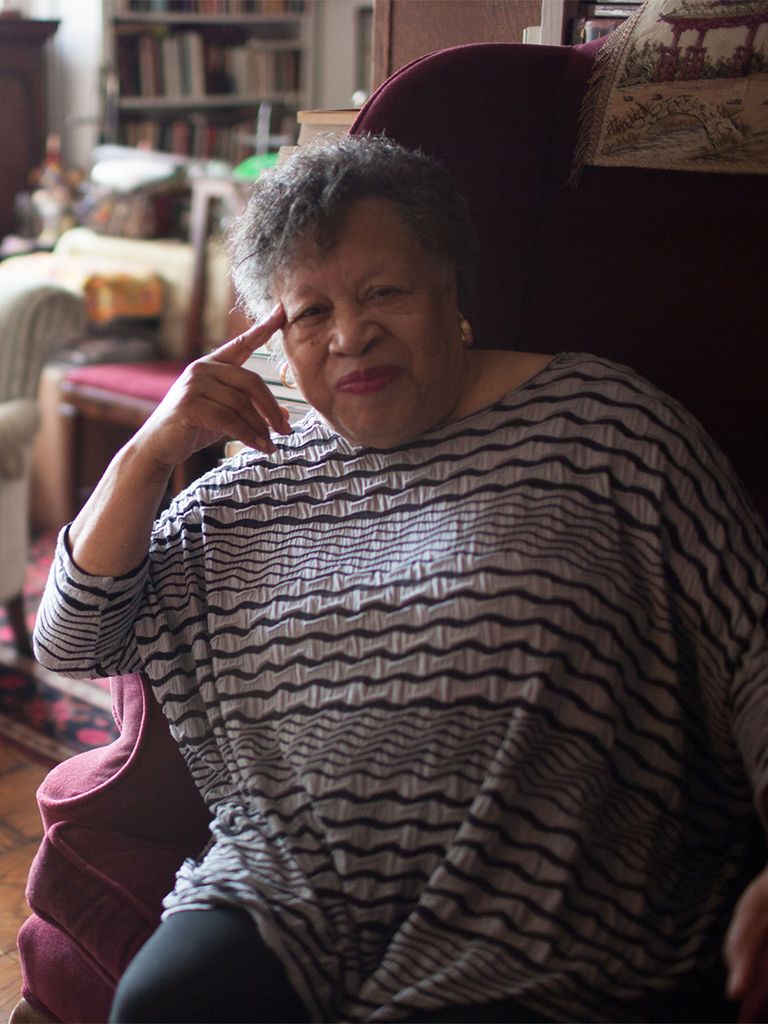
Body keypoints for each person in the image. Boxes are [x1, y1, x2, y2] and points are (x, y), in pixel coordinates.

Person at [34, 133, 768, 1024]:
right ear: (272, 335)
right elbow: (70, 639)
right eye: (310, 311)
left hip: (552, 906)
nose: (352, 335)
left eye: (384, 292)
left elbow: (753, 646)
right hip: (286, 895)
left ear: (450, 287)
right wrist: (152, 451)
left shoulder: (604, 428)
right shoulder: (247, 491)